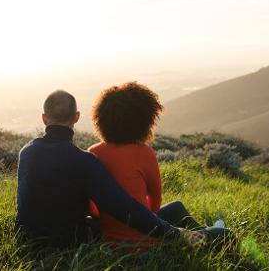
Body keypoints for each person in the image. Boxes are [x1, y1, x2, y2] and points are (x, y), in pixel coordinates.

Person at [15, 90, 205, 247]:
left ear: (44, 118)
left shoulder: (27, 152)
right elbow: (124, 207)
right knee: (219, 233)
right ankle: (204, 236)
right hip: (67, 243)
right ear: (77, 117)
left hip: (28, 241)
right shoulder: (83, 160)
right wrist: (177, 233)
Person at [88, 82, 231, 247]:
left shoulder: (93, 151)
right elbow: (155, 201)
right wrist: (146, 219)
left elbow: (91, 205)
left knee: (176, 207)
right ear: (144, 121)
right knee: (225, 234)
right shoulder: (144, 152)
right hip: (146, 240)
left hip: (109, 238)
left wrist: (110, 221)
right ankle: (207, 233)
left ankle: (201, 230)